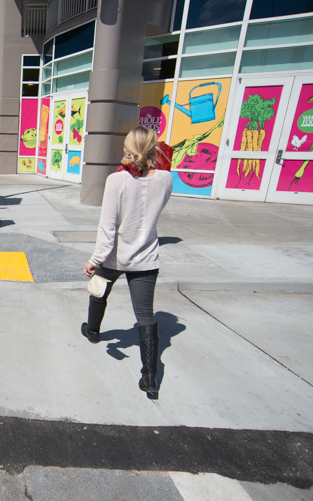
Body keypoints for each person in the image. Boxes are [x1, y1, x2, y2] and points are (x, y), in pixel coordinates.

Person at [81, 125, 173, 396]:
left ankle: (94, 331)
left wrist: (94, 259)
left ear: (128, 148)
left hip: (115, 256)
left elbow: (107, 228)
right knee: (145, 314)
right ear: (153, 147)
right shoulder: (166, 179)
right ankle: (150, 376)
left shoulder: (117, 180)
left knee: (99, 290)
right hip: (146, 256)